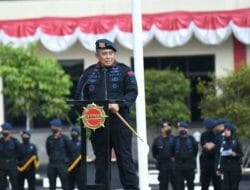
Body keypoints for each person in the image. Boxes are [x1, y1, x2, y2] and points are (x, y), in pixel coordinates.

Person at [75, 39, 139, 190]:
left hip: (120, 122)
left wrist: (120, 104)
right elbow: (79, 97)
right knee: (101, 163)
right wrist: (88, 114)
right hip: (97, 124)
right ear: (97, 55)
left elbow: (132, 92)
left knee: (125, 160)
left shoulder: (125, 71)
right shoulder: (89, 73)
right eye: (104, 53)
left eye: (110, 53)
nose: (108, 56)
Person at [215, 123, 243, 190]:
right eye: (225, 130)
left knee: (234, 187)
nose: (226, 132)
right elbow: (218, 156)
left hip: (234, 167)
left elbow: (241, 154)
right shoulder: (222, 142)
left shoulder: (236, 141)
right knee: (225, 187)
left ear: (231, 131)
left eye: (228, 130)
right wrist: (217, 168)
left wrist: (235, 154)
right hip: (225, 168)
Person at [46, 118, 71, 190]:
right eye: (51, 126)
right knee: (52, 186)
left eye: (53, 126)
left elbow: (69, 151)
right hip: (52, 164)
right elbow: (48, 151)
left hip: (62, 164)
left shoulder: (65, 139)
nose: (51, 127)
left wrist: (66, 161)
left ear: (59, 127)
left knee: (66, 185)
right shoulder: (49, 139)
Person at [173, 121, 198, 190]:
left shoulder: (191, 139)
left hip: (189, 166)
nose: (182, 129)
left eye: (184, 128)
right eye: (180, 128)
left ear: (187, 129)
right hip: (179, 166)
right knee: (179, 186)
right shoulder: (175, 139)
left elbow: (195, 150)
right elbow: (172, 151)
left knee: (190, 185)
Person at [151, 120, 175, 190]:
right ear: (162, 129)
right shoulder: (157, 140)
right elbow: (154, 153)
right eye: (166, 127)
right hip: (162, 167)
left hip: (173, 166)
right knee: (163, 186)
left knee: (176, 185)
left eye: (169, 126)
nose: (168, 128)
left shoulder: (174, 139)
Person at [199, 119, 221, 190]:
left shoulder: (218, 135)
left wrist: (211, 145)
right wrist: (212, 145)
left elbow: (211, 146)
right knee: (204, 184)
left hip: (215, 161)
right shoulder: (204, 135)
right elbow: (206, 146)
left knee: (217, 184)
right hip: (205, 162)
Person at [0, 122, 22, 190]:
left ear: (10, 131)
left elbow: (21, 152)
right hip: (2, 166)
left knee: (15, 185)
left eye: (6, 130)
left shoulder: (15, 141)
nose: (4, 131)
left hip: (12, 166)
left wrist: (18, 162)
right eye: (3, 129)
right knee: (2, 185)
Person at [68, 126, 83, 190]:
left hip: (79, 167)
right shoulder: (68, 142)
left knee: (80, 185)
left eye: (75, 132)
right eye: (72, 132)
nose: (73, 133)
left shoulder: (81, 143)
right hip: (70, 166)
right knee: (70, 185)